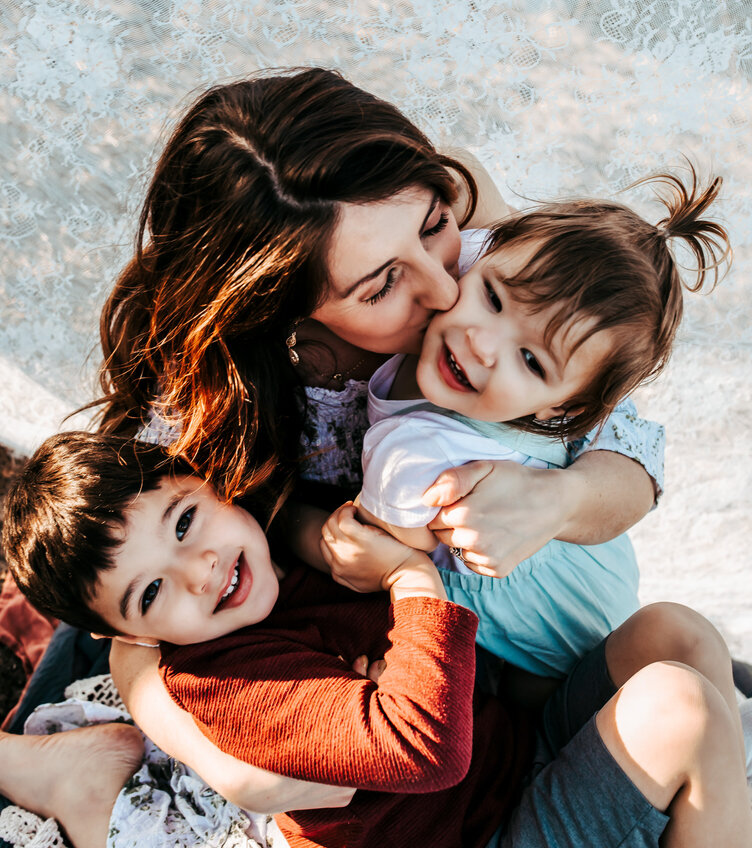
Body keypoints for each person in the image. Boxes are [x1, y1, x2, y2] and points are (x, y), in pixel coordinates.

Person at [96, 68, 666, 802]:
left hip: (519, 611)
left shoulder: (461, 217)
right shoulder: (194, 396)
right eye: (380, 286)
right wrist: (216, 762)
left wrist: (558, 499)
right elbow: (127, 611)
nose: (446, 288)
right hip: (366, 640)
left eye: (434, 229)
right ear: (276, 309)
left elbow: (627, 433)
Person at [0, 431, 750, 848]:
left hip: (512, 766)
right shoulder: (230, 681)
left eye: (187, 522)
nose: (201, 571)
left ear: (208, 481)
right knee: (677, 708)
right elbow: (425, 748)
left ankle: (726, 811)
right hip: (474, 836)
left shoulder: (275, 552)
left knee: (670, 633)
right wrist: (410, 581)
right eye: (153, 592)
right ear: (125, 633)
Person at [348, 167, 729, 680]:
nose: (482, 345)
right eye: (492, 298)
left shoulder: (417, 457)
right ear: (479, 255)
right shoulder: (466, 248)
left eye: (530, 362)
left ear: (564, 411)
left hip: (560, 646)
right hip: (593, 602)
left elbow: (366, 541)